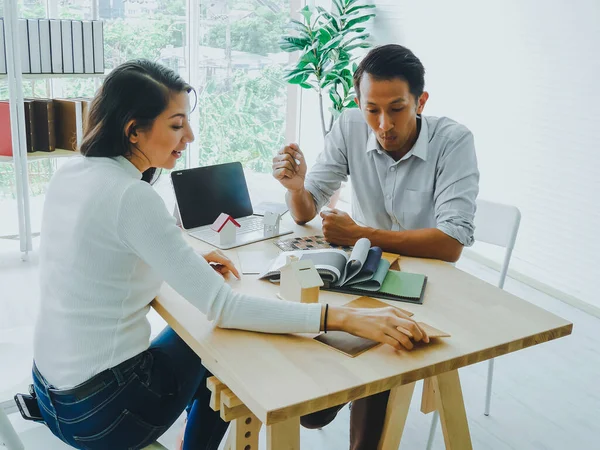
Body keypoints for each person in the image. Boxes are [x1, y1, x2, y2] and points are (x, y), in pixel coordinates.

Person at [31, 59, 428, 450]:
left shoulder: (74, 172)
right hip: (102, 415)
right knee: (218, 339)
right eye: (176, 125)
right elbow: (225, 308)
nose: (188, 137)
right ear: (133, 131)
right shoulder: (131, 195)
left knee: (200, 328)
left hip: (51, 395)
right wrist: (345, 317)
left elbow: (99, 265)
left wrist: (184, 264)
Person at [272, 44, 479, 449]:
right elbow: (305, 210)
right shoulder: (349, 125)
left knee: (381, 361)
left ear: (421, 101)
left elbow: (452, 242)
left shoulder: (453, 141)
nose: (383, 124)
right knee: (307, 399)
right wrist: (296, 189)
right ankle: (332, 392)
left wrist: (360, 235)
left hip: (426, 288)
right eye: (372, 110)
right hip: (362, 278)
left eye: (397, 108)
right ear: (358, 103)